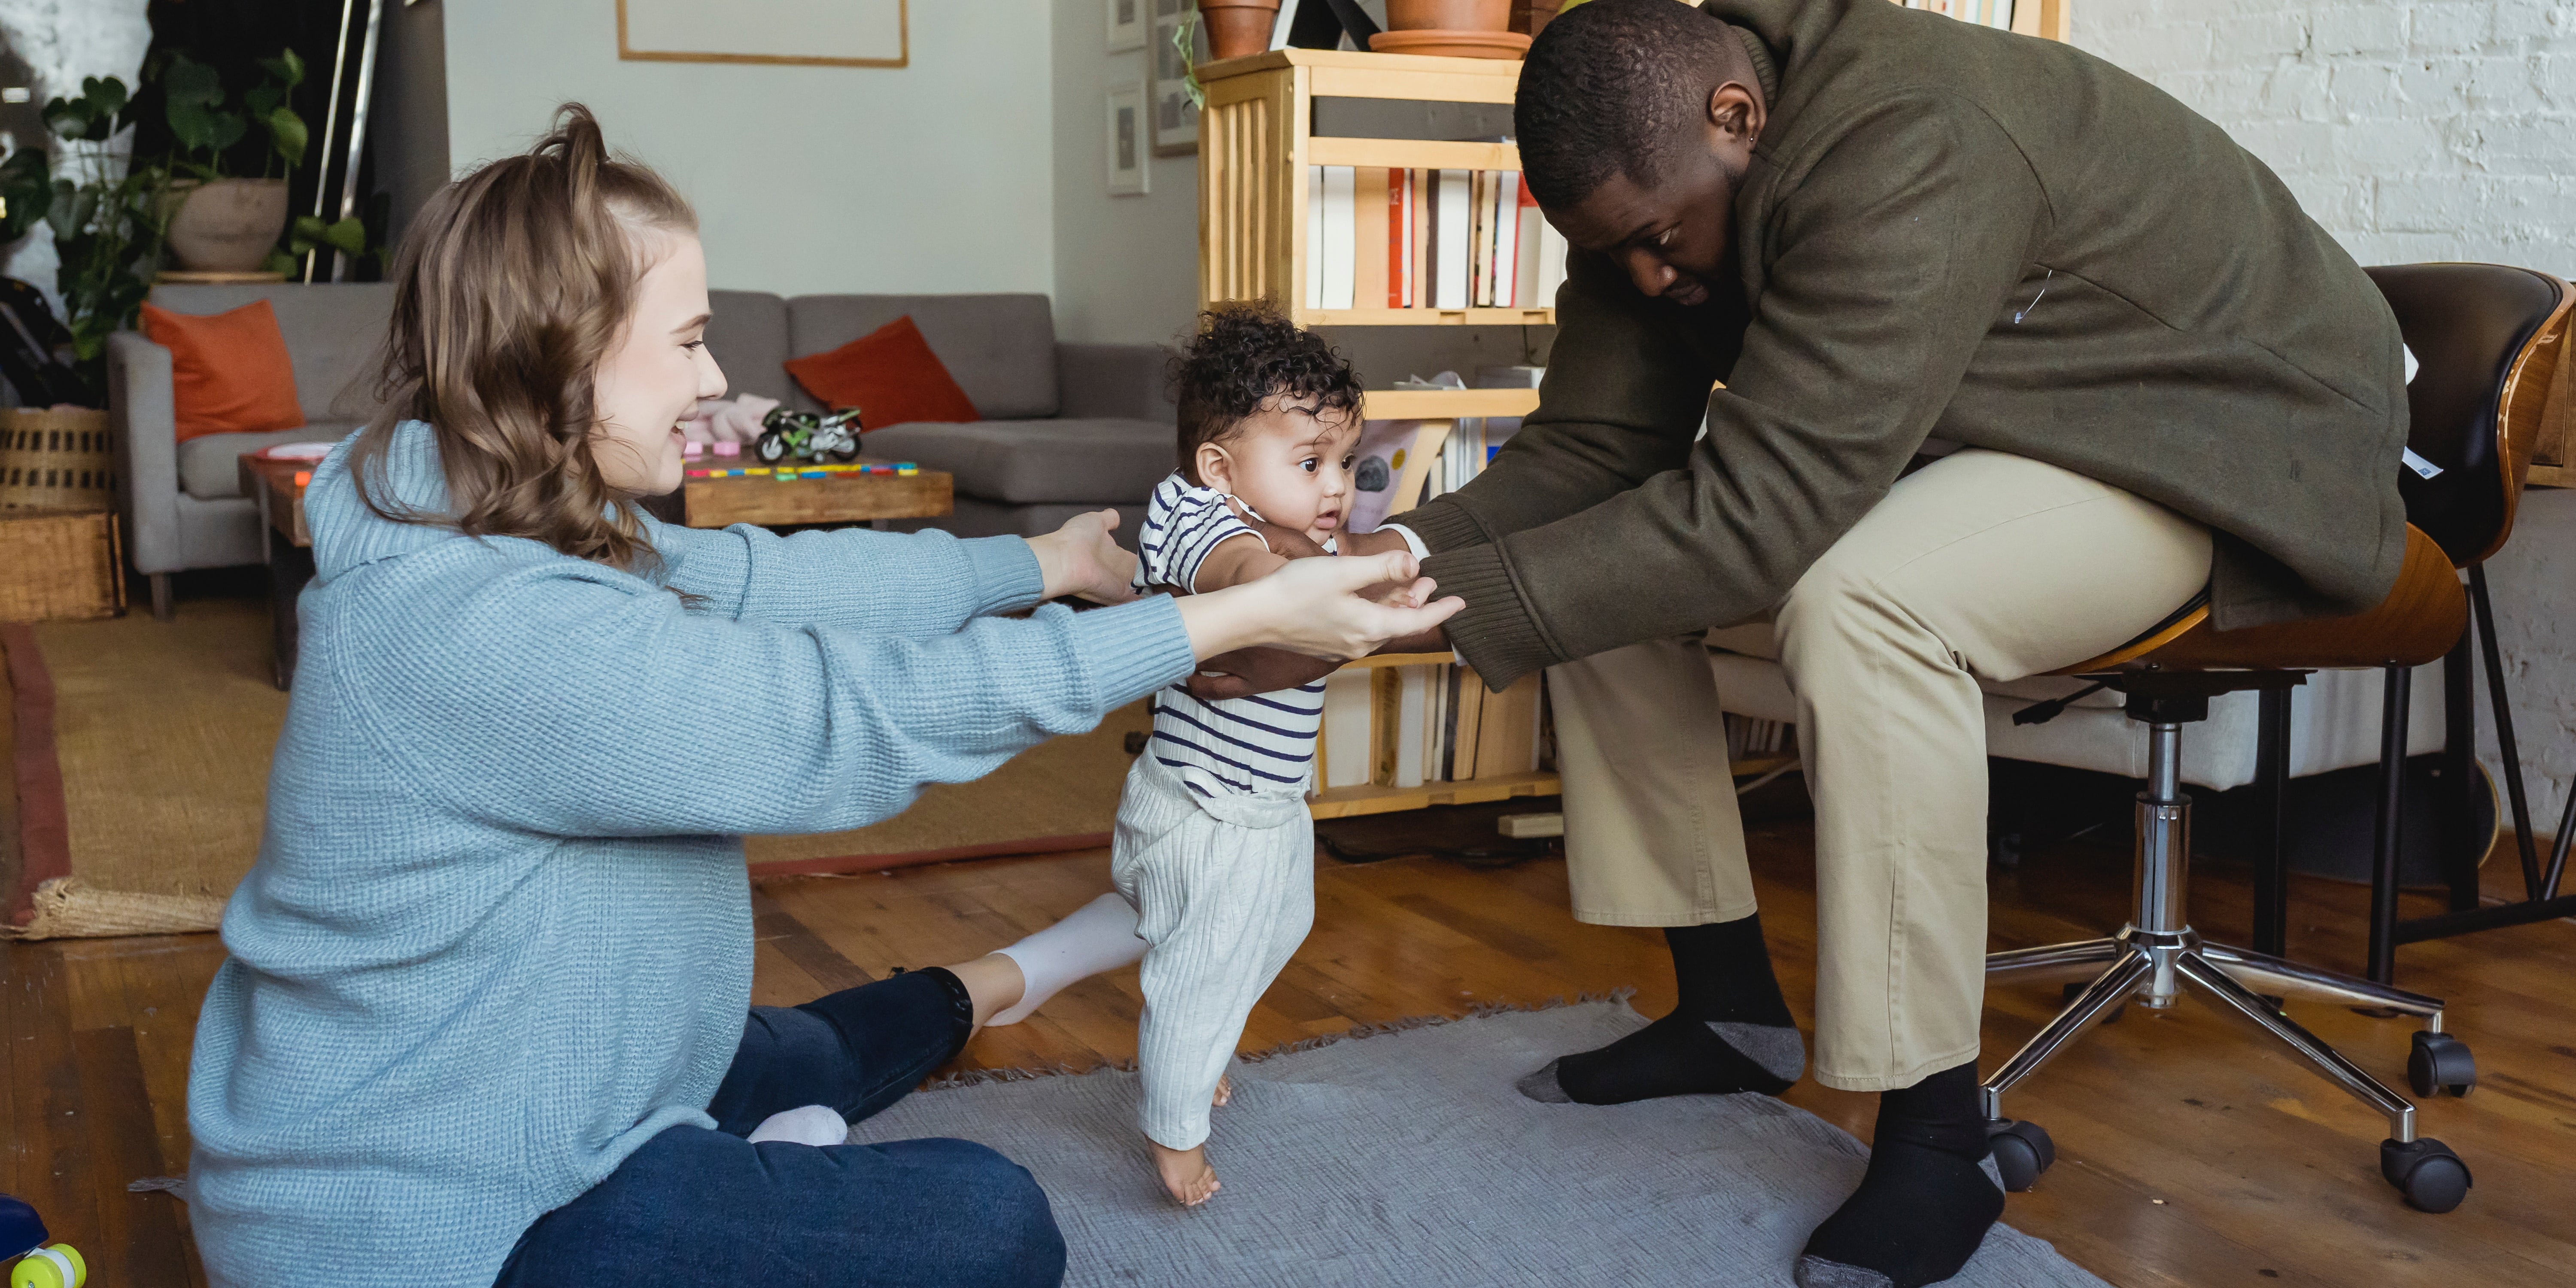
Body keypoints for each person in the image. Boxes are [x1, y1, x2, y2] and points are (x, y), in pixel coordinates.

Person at [1196, 3, 2407, 1285]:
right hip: (2025, 426)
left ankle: (1940, 1135)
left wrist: (1377, 628)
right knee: (1604, 556)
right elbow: (1598, 453)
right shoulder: (1660, 177)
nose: (1655, 278)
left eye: (1664, 239)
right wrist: (1363, 573)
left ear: (1738, 119)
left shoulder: (1911, 136)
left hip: (2225, 446)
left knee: (1861, 597)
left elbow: (1762, 516)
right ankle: (1727, 1004)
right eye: (1622, 258)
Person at [182, 105, 1459, 1288]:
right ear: (560, 359)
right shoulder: (480, 623)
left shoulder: (500, 514)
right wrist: (1224, 619)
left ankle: (1011, 975)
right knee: (986, 1225)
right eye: (685, 340)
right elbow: (850, 718)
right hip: (439, 1217)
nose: (710, 377)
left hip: (554, 1068)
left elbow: (767, 580)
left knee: (803, 1054)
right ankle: (765, 1169)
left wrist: (1048, 563)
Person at [983, 306, 1365, 1206]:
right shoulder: (1198, 521)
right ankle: (1174, 1130)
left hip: (1264, 808)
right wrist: (1314, 583)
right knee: (1200, 973)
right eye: (1310, 464)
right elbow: (1238, 573)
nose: (1336, 487)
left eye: (1345, 462)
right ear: (1218, 468)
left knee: (1278, 931)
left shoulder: (1284, 526)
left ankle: (1202, 1043)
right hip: (1206, 810)